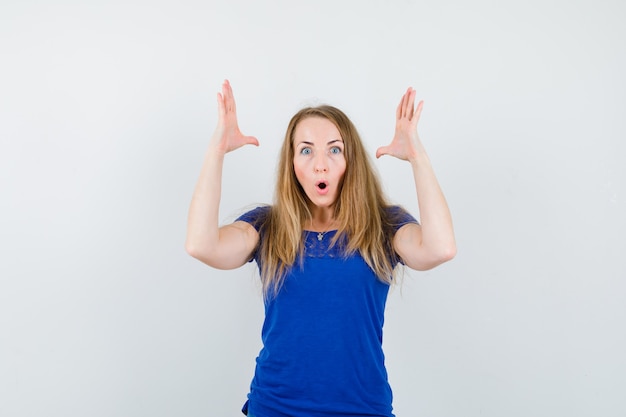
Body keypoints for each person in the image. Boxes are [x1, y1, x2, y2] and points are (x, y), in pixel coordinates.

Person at [185, 80, 456, 417]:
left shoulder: (383, 226)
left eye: (334, 149)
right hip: (275, 406)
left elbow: (440, 248)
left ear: (350, 159)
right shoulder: (267, 226)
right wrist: (216, 151)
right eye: (306, 150)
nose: (320, 164)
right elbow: (201, 244)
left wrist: (417, 156)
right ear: (293, 164)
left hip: (362, 408)